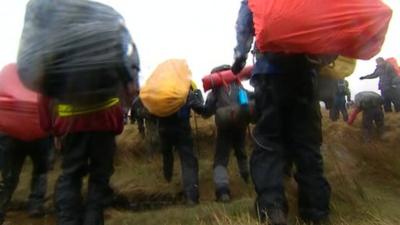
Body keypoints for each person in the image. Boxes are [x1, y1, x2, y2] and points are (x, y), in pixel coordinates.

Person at [231, 1, 331, 224]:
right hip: (306, 74)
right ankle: (317, 213)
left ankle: (272, 210)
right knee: (307, 144)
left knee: (268, 143)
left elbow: (244, 23)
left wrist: (240, 56)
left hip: (270, 73)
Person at [39, 50, 139, 225]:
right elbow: (127, 89)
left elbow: (44, 94)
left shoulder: (58, 49)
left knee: (71, 176)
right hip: (104, 122)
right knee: (99, 180)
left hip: (70, 123)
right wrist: (117, 123)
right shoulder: (106, 45)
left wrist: (52, 130)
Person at [201, 65, 250, 202]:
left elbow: (206, 112)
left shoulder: (215, 91)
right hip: (240, 125)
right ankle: (248, 180)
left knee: (221, 160)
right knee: (241, 153)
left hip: (224, 127)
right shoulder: (239, 86)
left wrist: (197, 105)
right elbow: (246, 105)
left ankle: (223, 193)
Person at [157, 87, 204, 205]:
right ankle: (191, 197)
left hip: (164, 129)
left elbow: (152, 111)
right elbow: (199, 107)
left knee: (167, 157)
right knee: (188, 161)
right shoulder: (183, 87)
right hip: (182, 128)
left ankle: (167, 185)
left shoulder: (160, 90)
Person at [0, 135, 51, 224]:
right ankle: (36, 205)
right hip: (38, 133)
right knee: (40, 172)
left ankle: (1, 207)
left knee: (9, 178)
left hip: (12, 134)